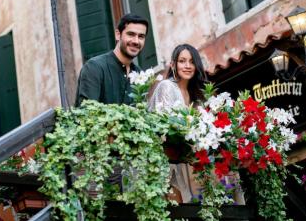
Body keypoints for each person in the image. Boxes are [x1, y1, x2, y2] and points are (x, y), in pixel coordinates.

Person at [148, 44, 207, 203]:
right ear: (173, 65)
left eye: (191, 61)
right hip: (164, 161)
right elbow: (167, 128)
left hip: (185, 162)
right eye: (182, 61)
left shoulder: (196, 95)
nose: (187, 66)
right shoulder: (166, 86)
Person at [75, 13, 149, 106]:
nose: (136, 41)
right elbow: (87, 114)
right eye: (131, 34)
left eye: (141, 36)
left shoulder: (140, 74)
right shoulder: (94, 68)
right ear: (118, 35)